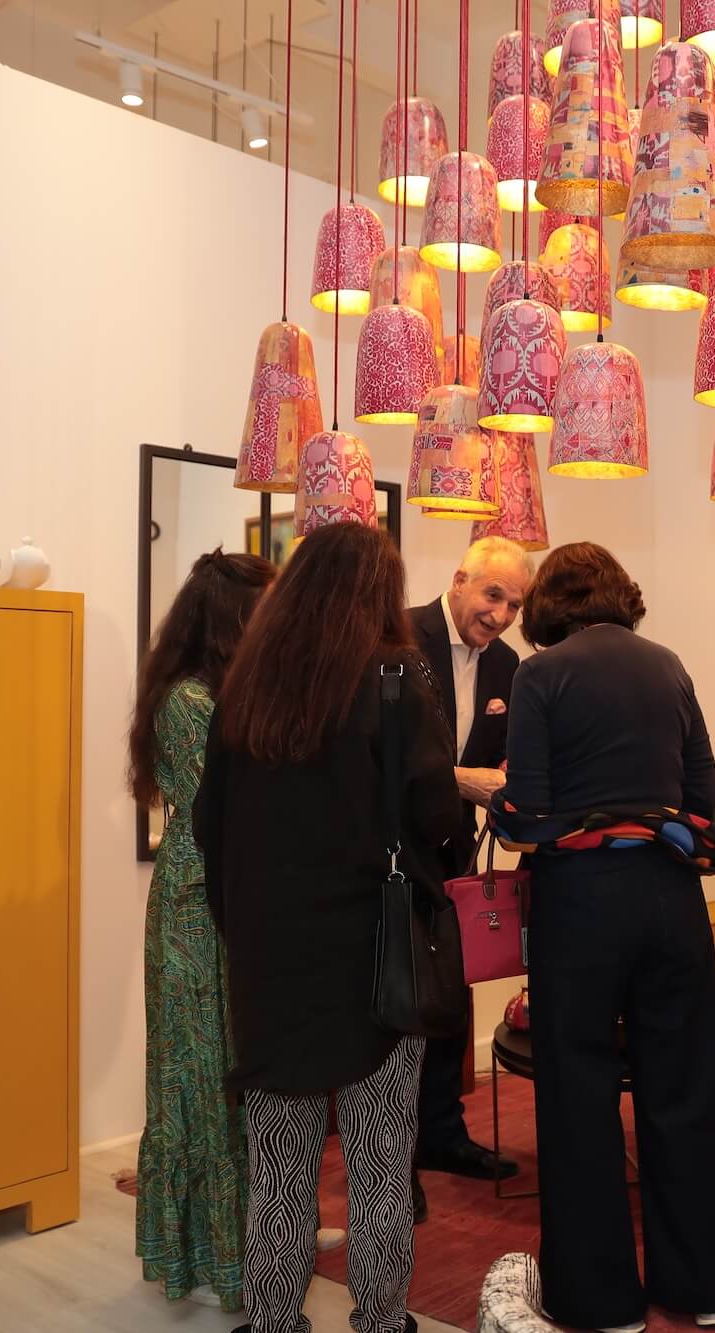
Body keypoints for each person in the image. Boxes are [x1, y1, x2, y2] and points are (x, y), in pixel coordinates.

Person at [196, 522, 463, 1333]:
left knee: (280, 1163)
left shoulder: (246, 686)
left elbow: (211, 824)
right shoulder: (395, 678)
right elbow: (437, 816)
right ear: (378, 593)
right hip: (376, 956)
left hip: (272, 959)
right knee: (380, 1161)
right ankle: (380, 1320)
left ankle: (275, 1319)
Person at [496, 543, 715, 1332]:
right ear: (620, 595)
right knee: (685, 1088)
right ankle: (701, 1288)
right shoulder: (669, 666)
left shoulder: (540, 675)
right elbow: (703, 799)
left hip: (580, 905)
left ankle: (602, 1301)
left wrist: (498, 806)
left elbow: (528, 812)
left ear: (547, 606)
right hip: (671, 900)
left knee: (580, 1094)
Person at [126, 548, 275, 1314]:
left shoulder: (217, 692)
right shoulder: (190, 701)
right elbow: (228, 808)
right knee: (201, 1079)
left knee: (229, 1074)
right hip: (197, 901)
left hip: (221, 892)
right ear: (233, 617)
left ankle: (249, 1238)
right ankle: (219, 1256)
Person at [409, 537, 532, 1198]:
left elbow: (506, 758)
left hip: (456, 858)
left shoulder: (509, 666)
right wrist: (463, 779)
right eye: (493, 595)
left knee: (453, 1001)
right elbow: (381, 758)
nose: (501, 615)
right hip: (392, 856)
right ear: (459, 580)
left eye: (514, 605)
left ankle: (442, 1132)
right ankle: (391, 1156)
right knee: (401, 1006)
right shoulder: (397, 636)